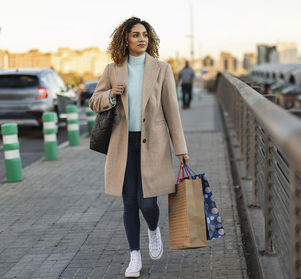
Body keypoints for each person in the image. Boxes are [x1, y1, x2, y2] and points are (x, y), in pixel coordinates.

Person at [89, 17, 190, 278]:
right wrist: (111, 94)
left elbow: (172, 110)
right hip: (123, 145)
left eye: (144, 34)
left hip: (154, 145)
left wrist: (180, 147)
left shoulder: (162, 69)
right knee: (128, 202)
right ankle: (134, 256)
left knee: (147, 203)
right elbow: (94, 101)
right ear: (125, 39)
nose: (141, 38)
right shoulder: (113, 69)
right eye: (135, 35)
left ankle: (153, 229)